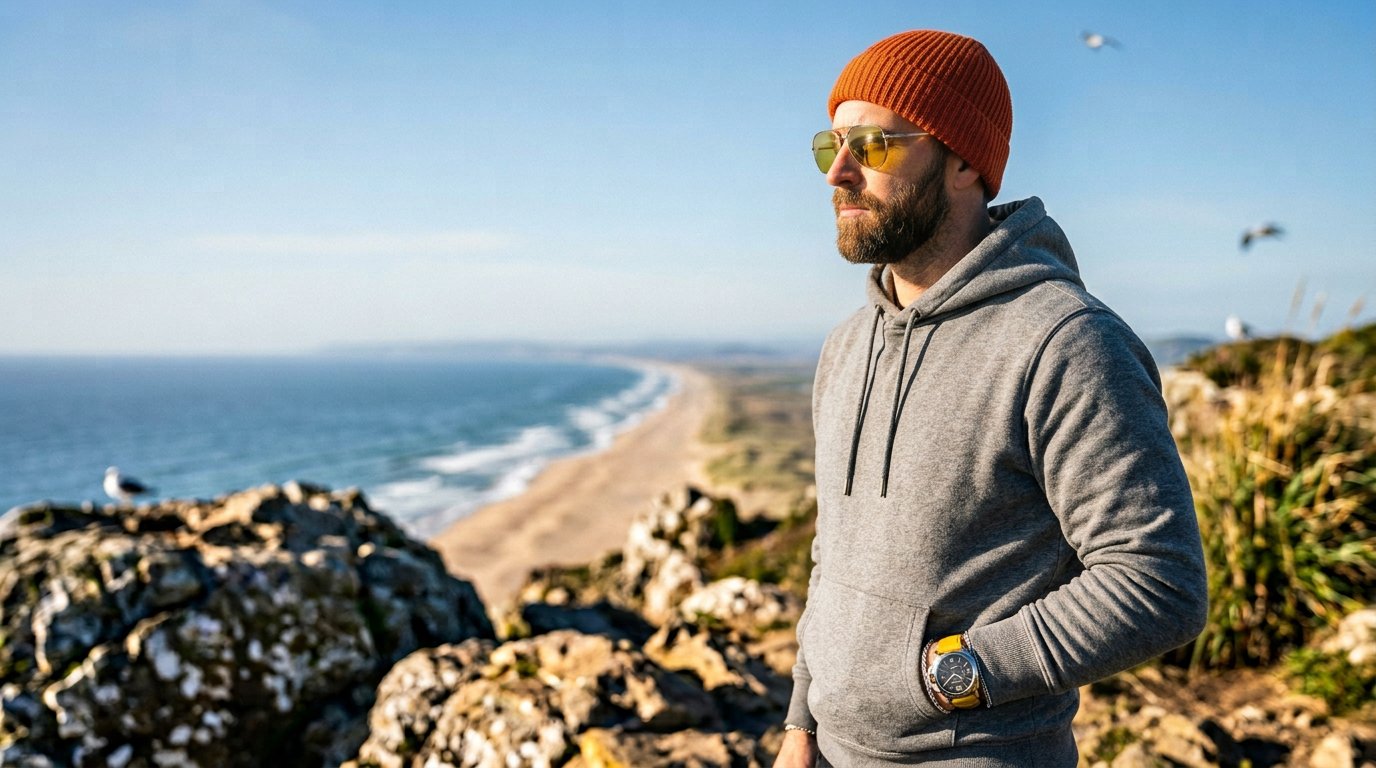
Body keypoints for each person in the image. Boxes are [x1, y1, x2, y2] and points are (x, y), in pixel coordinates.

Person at [773, 30, 1209, 768]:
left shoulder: (1065, 341)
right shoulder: (846, 347)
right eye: (830, 146)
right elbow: (834, 554)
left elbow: (1158, 578)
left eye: (872, 146)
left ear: (964, 159)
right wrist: (800, 724)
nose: (837, 173)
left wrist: (955, 676)